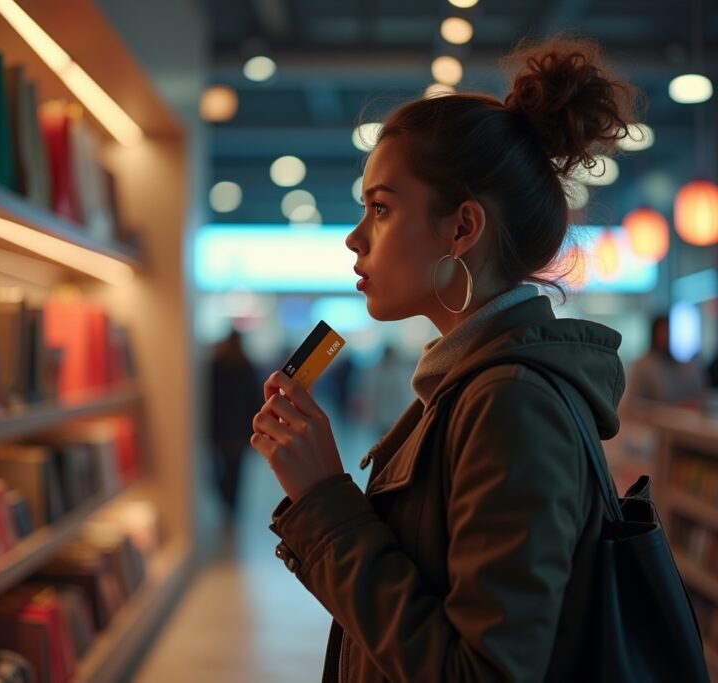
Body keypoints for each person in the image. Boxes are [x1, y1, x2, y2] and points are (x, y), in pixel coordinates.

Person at [250, 37, 636, 681]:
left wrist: (322, 499)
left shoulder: (510, 402)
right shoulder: (474, 388)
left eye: (380, 208)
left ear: (461, 229)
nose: (354, 237)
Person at [206, 328, 261, 522]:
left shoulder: (216, 366)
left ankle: (228, 506)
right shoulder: (246, 366)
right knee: (235, 474)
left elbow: (209, 400)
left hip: (219, 430)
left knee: (217, 473)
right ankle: (232, 508)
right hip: (239, 431)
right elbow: (254, 402)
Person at [624, 314, 705, 407]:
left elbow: (698, 395)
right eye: (662, 331)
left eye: (668, 331)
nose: (665, 336)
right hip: (652, 420)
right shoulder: (642, 366)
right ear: (654, 334)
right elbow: (633, 403)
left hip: (681, 418)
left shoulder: (681, 365)